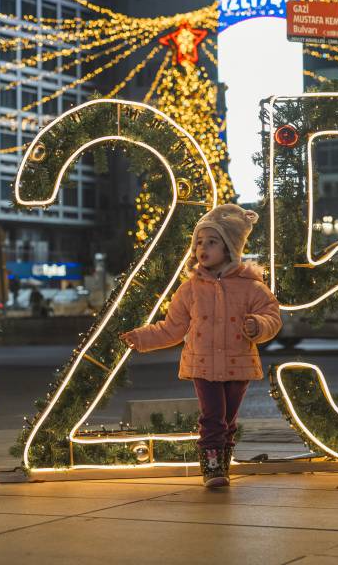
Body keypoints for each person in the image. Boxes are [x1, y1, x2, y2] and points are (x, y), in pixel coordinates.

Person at [120, 204, 281, 488]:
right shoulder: (190, 288)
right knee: (212, 417)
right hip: (203, 366)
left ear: (229, 247)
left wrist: (258, 324)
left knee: (228, 420)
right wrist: (143, 338)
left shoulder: (251, 287)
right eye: (198, 243)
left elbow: (272, 316)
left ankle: (223, 462)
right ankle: (211, 467)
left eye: (211, 242)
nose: (202, 248)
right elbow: (173, 327)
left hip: (238, 365)